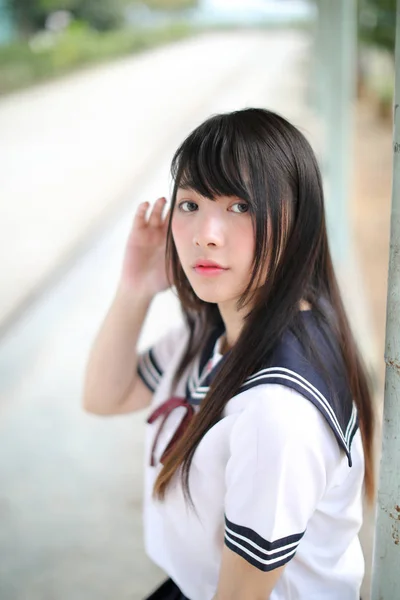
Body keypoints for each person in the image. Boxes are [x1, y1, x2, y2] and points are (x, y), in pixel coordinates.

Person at [82, 108, 375, 600]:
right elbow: (104, 397)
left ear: (296, 221)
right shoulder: (217, 329)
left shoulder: (277, 411)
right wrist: (135, 288)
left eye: (241, 206)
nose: (206, 234)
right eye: (191, 203)